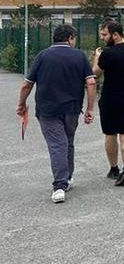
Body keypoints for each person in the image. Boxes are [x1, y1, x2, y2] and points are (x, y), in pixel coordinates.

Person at [16, 24, 96, 203]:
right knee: (67, 142)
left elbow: (27, 84)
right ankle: (67, 177)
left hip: (47, 109)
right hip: (72, 109)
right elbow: (91, 82)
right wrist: (90, 108)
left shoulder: (42, 56)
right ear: (70, 38)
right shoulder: (79, 56)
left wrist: (21, 104)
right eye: (74, 39)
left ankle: (59, 185)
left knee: (57, 144)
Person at [92, 21, 124, 187]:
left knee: (110, 134)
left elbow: (95, 74)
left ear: (115, 35)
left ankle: (114, 168)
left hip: (110, 98)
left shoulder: (107, 53)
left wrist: (97, 58)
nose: (103, 38)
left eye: (105, 35)